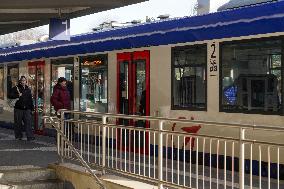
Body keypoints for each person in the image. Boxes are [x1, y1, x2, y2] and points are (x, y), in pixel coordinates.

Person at [10, 76, 35, 141]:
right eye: (22, 80)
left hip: (27, 109)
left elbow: (30, 100)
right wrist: (18, 95)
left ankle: (29, 136)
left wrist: (32, 109)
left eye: (24, 80)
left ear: (26, 81)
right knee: (18, 123)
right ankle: (18, 136)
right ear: (20, 81)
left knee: (28, 123)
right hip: (18, 109)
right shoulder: (16, 88)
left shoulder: (28, 89)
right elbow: (10, 95)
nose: (23, 81)